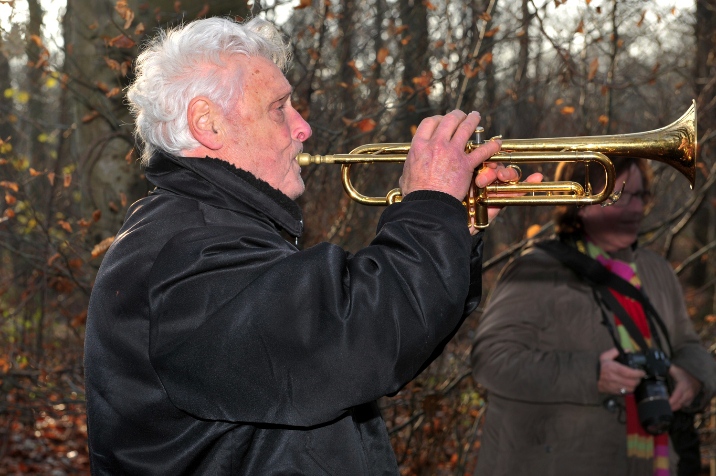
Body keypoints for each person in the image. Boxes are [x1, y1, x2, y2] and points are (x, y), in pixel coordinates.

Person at [83, 16, 540, 474]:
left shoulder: (212, 232)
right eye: (279, 107)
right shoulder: (186, 252)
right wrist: (429, 206)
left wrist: (452, 228)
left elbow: (375, 356)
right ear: (208, 124)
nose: (303, 127)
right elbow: (352, 338)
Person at [470, 157, 716, 476]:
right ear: (581, 204)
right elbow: (490, 360)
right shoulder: (535, 270)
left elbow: (687, 344)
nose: (633, 209)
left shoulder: (657, 271)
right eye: (619, 197)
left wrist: (692, 376)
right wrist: (591, 375)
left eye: (639, 197)